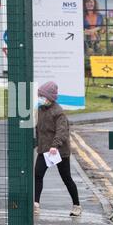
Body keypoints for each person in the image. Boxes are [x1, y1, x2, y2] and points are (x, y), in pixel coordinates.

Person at [34, 81, 81, 216]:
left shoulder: (58, 112)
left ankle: (76, 205)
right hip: (44, 149)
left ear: (50, 98)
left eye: (43, 96)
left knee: (66, 178)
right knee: (38, 174)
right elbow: (39, 129)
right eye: (40, 96)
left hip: (59, 151)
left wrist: (55, 146)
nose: (41, 98)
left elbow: (62, 131)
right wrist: (37, 143)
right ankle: (36, 203)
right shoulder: (40, 110)